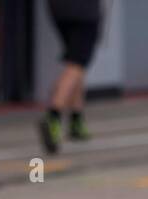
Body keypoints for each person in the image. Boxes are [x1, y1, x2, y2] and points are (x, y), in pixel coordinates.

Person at [40, 0, 104, 153]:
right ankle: (53, 115)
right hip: (83, 11)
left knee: (75, 61)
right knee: (77, 63)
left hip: (58, 9)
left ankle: (76, 119)